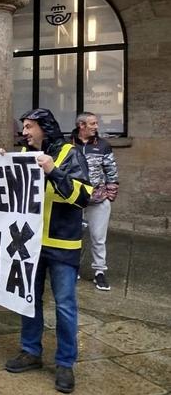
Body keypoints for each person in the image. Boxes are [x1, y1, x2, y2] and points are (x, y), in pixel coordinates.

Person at [4, 108, 92, 394]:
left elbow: (83, 196)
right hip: (29, 243)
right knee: (29, 299)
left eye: (29, 127)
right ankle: (30, 351)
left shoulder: (70, 153)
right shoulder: (24, 154)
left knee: (65, 305)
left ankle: (65, 363)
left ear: (44, 128)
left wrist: (53, 171)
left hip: (62, 244)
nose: (25, 132)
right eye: (24, 127)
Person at [70, 112, 119, 291]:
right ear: (81, 125)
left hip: (98, 201)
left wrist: (110, 195)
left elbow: (111, 171)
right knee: (73, 236)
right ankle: (72, 268)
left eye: (96, 123)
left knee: (98, 238)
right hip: (73, 201)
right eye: (93, 123)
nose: (96, 126)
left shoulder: (103, 145)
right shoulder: (68, 145)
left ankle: (99, 272)